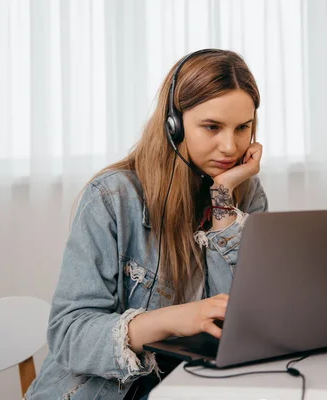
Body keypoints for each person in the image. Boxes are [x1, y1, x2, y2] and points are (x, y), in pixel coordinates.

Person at [25, 48, 268, 400]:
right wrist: (172, 319)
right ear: (174, 123)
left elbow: (242, 320)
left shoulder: (241, 192)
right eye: (212, 127)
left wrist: (223, 199)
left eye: (242, 128)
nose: (229, 146)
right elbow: (68, 335)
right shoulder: (111, 199)